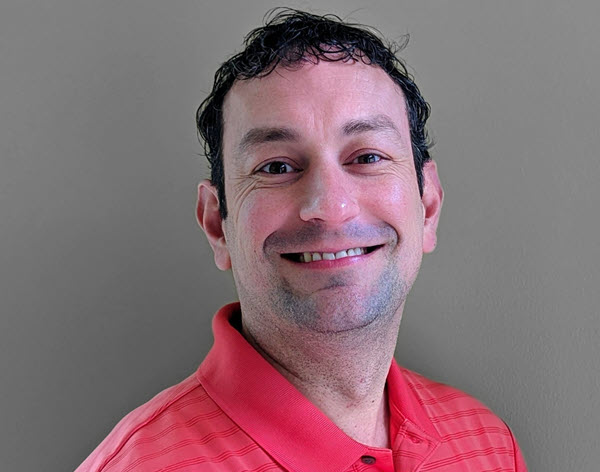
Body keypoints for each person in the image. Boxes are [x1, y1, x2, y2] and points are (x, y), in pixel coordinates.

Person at [76, 9, 527, 471]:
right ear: (217, 225)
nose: (330, 206)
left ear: (427, 206)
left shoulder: (489, 444)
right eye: (275, 167)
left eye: (367, 156)